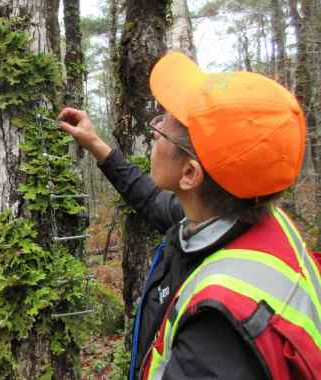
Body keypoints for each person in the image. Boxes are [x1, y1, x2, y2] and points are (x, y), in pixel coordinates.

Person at [59, 52, 321, 379]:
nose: (155, 130)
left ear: (189, 174)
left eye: (166, 125)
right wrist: (97, 145)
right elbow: (152, 200)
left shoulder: (217, 333)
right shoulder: (247, 221)